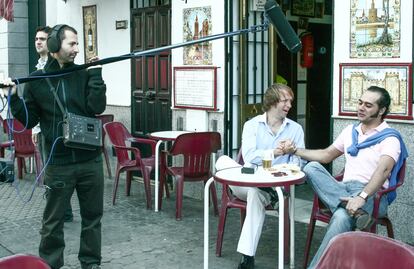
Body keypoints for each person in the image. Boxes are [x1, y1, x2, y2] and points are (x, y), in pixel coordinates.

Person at [1, 24, 106, 269]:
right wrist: (13, 97)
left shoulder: (84, 72)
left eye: (77, 44)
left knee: (93, 218)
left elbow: (97, 108)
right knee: (52, 222)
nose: (77, 49)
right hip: (58, 164)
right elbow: (30, 120)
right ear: (55, 45)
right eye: (72, 44)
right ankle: (49, 265)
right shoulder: (37, 81)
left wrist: (96, 75)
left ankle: (91, 263)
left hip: (91, 160)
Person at [282, 86, 408, 269]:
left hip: (372, 195)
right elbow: (326, 155)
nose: (360, 108)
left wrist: (361, 197)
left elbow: (383, 172)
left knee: (341, 218)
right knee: (312, 167)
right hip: (343, 191)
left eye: (368, 105)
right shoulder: (351, 131)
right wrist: (294, 150)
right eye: (359, 102)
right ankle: (356, 214)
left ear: (381, 111)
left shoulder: (389, 138)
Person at [232, 83, 305, 269]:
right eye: (285, 100)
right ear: (272, 101)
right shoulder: (252, 125)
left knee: (255, 194)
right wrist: (276, 152)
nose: (289, 105)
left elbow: (300, 162)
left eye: (291, 101)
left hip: (276, 185)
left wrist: (292, 157)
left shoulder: (295, 129)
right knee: (222, 161)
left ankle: (247, 257)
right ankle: (264, 188)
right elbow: (249, 157)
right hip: (248, 181)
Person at [33, 25, 74, 223]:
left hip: (57, 128)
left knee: (56, 170)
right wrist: (35, 127)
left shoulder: (57, 66)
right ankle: (60, 209)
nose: (38, 42)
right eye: (36, 39)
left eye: (42, 39)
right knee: (49, 169)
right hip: (44, 128)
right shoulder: (37, 68)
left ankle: (62, 211)